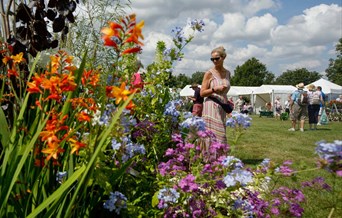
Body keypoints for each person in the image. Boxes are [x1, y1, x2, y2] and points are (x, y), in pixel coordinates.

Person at [200, 46, 231, 144]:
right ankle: (208, 158)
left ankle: (220, 158)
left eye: (217, 58)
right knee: (213, 134)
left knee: (221, 133)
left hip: (222, 106)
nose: (214, 61)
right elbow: (202, 93)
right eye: (212, 59)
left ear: (223, 57)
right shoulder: (209, 73)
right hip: (211, 106)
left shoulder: (228, 73)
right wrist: (214, 89)